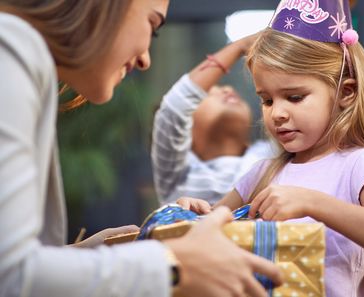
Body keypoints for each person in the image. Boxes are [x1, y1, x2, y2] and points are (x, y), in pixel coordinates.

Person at [0, 1, 284, 297]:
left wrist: (84, 251)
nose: (146, 59)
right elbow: (12, 277)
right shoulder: (12, 49)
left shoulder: (265, 158)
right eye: (152, 25)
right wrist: (171, 265)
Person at [177, 0, 364, 296]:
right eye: (267, 100)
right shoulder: (262, 173)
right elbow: (215, 229)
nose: (276, 113)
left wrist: (313, 203)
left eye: (294, 97)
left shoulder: (360, 163)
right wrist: (197, 213)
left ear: (346, 93)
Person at [152, 33, 276, 206]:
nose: (226, 89)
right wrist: (240, 46)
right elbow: (174, 107)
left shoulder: (272, 153)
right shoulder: (177, 175)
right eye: (208, 93)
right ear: (185, 129)